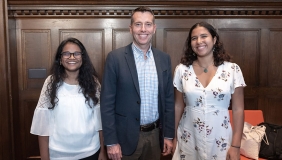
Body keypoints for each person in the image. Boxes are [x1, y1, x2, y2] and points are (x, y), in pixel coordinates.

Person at [100, 6, 175, 160]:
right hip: (124, 138)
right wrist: (111, 141)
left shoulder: (164, 59)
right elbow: (106, 103)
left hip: (155, 137)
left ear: (154, 28)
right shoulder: (115, 58)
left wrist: (168, 135)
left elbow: (168, 100)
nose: (143, 29)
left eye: (148, 24)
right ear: (130, 28)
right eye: (138, 24)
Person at [172, 22, 246, 160]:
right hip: (188, 137)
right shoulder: (182, 70)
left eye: (204, 36)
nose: (199, 41)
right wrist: (174, 137)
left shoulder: (232, 70)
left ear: (214, 39)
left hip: (220, 139)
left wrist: (236, 146)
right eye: (194, 38)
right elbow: (178, 105)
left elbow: (238, 109)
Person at [30, 37, 107, 160]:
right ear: (60, 58)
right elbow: (43, 125)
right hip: (58, 154)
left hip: (90, 152)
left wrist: (102, 152)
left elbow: (100, 122)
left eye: (76, 53)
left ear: (83, 57)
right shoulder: (50, 83)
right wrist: (45, 157)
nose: (72, 57)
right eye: (66, 54)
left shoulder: (93, 83)